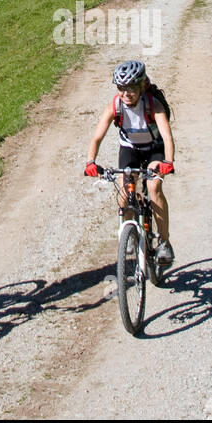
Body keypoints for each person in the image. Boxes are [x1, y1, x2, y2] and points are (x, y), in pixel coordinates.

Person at [84, 59, 175, 268]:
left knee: (154, 187)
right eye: (121, 89)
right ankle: (129, 232)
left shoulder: (154, 105)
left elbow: (168, 138)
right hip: (130, 149)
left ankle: (164, 242)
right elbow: (97, 138)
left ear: (142, 86)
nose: (126, 94)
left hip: (154, 148)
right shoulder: (115, 106)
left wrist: (167, 162)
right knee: (125, 191)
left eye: (131, 88)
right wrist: (91, 162)